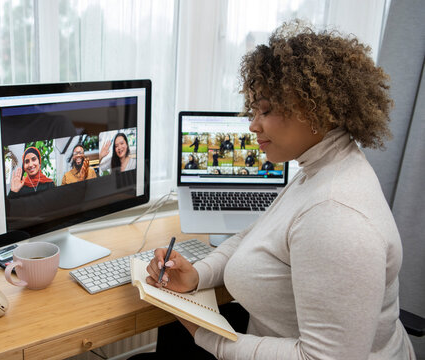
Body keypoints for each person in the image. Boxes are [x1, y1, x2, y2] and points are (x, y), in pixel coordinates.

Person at [133, 20, 416, 359]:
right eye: (253, 110)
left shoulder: (337, 215)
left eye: (265, 110)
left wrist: (206, 336)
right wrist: (197, 275)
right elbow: (249, 237)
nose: (252, 125)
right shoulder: (318, 168)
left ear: (316, 109)